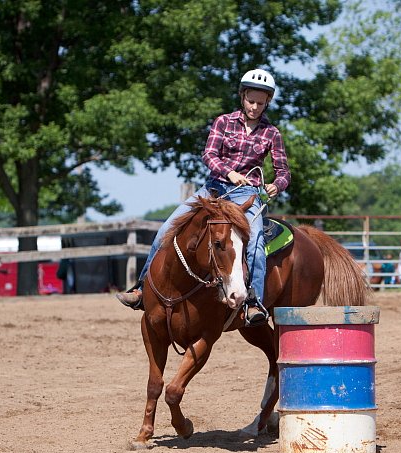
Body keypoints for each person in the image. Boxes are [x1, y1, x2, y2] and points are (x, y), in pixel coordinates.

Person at [115, 69, 290, 326]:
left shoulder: (271, 133)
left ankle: (254, 302)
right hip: (213, 189)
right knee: (166, 228)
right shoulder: (223, 122)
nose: (254, 107)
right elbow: (209, 155)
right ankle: (142, 288)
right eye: (251, 101)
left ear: (268, 102)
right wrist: (229, 173)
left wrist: (277, 185)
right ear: (242, 97)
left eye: (261, 103)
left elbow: (284, 171)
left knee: (254, 244)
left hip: (248, 195)